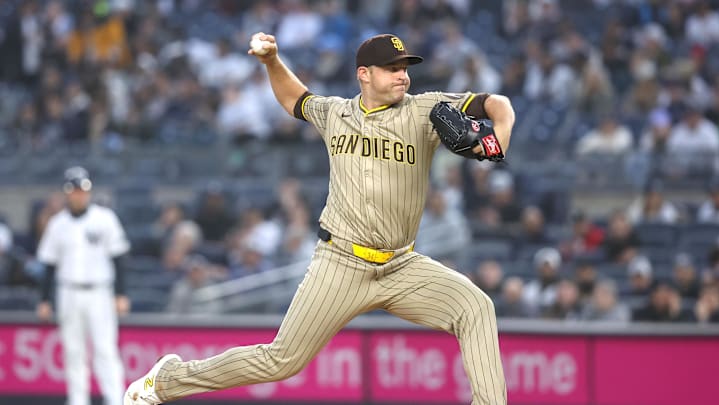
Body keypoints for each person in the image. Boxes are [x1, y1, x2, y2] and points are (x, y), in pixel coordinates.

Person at [125, 32, 515, 405]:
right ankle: (167, 381)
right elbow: (295, 99)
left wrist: (498, 139)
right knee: (281, 360)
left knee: (476, 307)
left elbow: (498, 103)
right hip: (341, 262)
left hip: (401, 264)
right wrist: (272, 61)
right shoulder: (336, 113)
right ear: (364, 74)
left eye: (406, 67)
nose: (404, 75)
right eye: (392, 68)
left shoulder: (424, 109)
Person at [36, 166, 130, 405]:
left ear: (89, 191)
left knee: (105, 349)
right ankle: (78, 400)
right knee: (73, 351)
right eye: (74, 190)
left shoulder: (104, 218)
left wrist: (121, 294)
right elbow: (49, 265)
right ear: (67, 193)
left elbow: (119, 258)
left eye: (83, 190)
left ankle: (115, 399)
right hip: (68, 291)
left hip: (100, 291)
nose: (79, 194)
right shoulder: (58, 224)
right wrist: (45, 299)